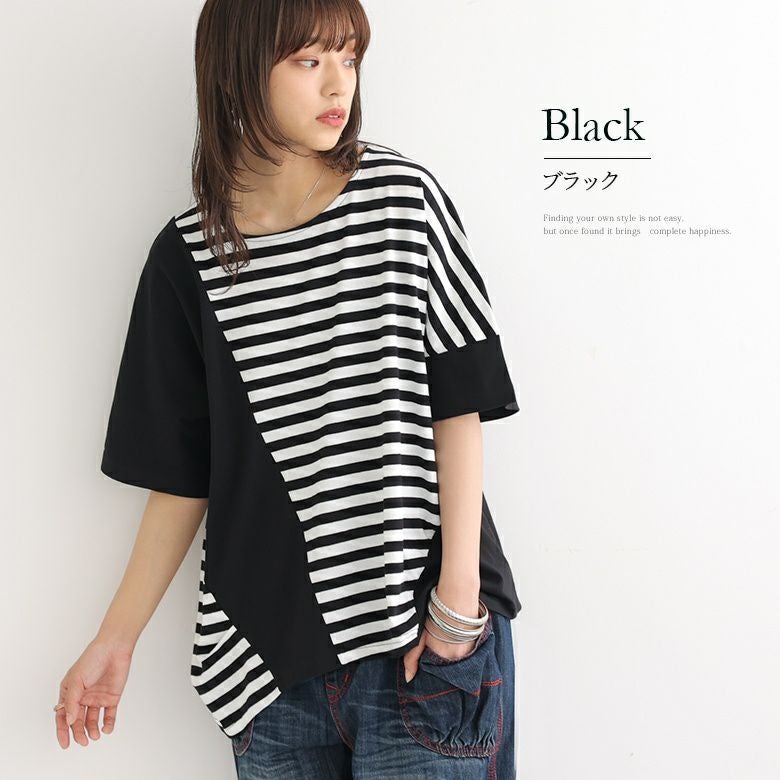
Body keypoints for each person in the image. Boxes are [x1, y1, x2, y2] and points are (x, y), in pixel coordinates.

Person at [54, 1, 522, 777]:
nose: (339, 84)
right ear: (237, 70)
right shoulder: (188, 257)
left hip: (422, 638)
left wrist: (457, 603)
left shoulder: (400, 200)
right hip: (272, 672)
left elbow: (458, 404)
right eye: (309, 60)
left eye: (349, 57)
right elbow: (183, 476)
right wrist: (116, 638)